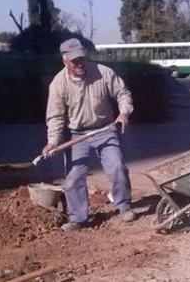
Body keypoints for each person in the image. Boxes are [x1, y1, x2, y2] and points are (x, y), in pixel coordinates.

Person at [42, 38, 136, 232]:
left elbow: (123, 93)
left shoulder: (103, 73)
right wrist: (53, 142)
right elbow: (55, 116)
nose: (80, 63)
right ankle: (78, 217)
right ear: (65, 61)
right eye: (75, 60)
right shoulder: (58, 84)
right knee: (74, 176)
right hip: (77, 134)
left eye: (82, 59)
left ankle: (124, 206)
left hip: (105, 129)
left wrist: (123, 112)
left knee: (117, 166)